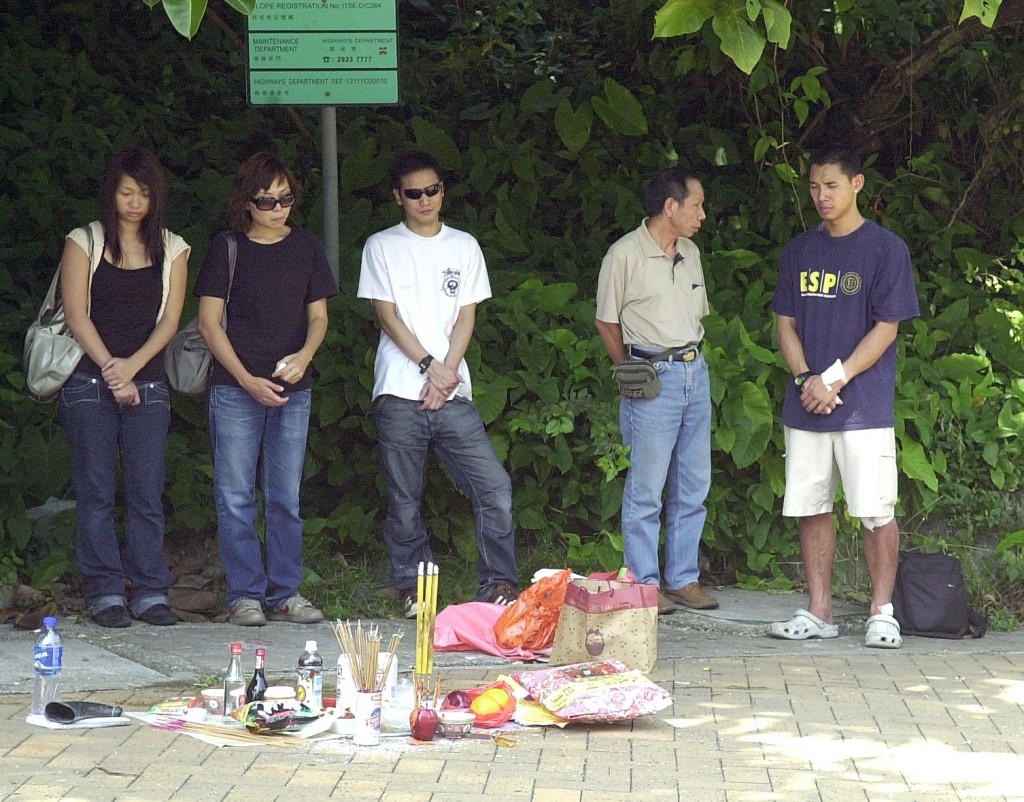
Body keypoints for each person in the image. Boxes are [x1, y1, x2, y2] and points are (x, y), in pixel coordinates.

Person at [768, 143, 920, 648]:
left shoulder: (886, 249)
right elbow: (784, 324)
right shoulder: (799, 250)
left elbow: (887, 328)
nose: (821, 196)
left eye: (831, 185)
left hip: (863, 405)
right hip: (806, 402)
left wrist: (834, 379)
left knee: (875, 508)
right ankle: (819, 612)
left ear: (857, 184)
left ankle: (882, 611)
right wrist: (805, 379)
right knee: (811, 506)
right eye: (814, 186)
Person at [357, 150, 519, 618]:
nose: (424, 200)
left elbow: (467, 316)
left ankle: (499, 586)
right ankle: (415, 589)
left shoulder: (464, 245)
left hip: (452, 389)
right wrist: (430, 364)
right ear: (398, 198)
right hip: (398, 388)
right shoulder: (381, 246)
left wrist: (445, 373)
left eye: (432, 190)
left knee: (494, 488)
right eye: (413, 193)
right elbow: (387, 316)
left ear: (442, 191)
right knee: (404, 498)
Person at [195, 152, 337, 627]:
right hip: (237, 387)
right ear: (246, 202)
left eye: (286, 198)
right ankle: (244, 595)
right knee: (235, 495)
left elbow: (319, 317)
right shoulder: (227, 247)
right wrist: (245, 379)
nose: (278, 208)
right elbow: (209, 323)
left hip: (293, 388)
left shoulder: (307, 246)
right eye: (267, 200)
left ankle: (285, 592)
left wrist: (305, 356)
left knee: (285, 496)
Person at [60, 147, 189, 628]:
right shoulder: (84, 241)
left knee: (146, 492)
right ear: (111, 193)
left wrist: (131, 369)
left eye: (145, 193)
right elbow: (76, 315)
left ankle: (151, 591)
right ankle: (105, 592)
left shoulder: (173, 247)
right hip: (88, 380)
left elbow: (171, 321)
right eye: (126, 192)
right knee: (95, 489)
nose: (136, 202)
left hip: (149, 383)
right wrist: (112, 370)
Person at [595, 168, 718, 616]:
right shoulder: (624, 254)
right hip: (651, 375)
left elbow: (695, 317)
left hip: (694, 369)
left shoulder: (691, 252)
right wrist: (628, 370)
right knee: (646, 487)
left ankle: (683, 579)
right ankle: (645, 585)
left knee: (693, 481)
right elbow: (606, 322)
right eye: (696, 205)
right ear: (671, 206)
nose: (702, 214)